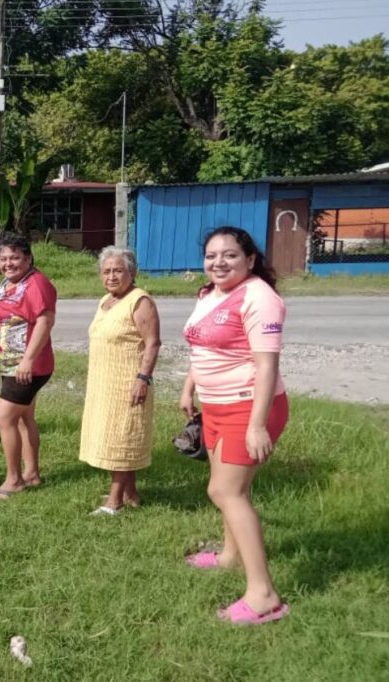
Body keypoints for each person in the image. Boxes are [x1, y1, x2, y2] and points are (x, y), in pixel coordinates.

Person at [181, 226, 291, 625]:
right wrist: (189, 387)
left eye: (229, 255)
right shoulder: (209, 294)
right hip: (215, 406)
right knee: (233, 488)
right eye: (211, 255)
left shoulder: (261, 298)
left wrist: (257, 425)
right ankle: (229, 556)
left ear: (250, 259)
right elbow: (201, 344)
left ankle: (264, 596)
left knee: (225, 491)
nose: (219, 262)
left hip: (248, 407)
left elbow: (267, 366)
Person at [0, 233, 57, 499]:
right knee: (23, 417)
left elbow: (44, 322)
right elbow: (13, 317)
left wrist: (28, 361)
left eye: (15, 258)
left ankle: (14, 480)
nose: (8, 263)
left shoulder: (37, 284)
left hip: (26, 366)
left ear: (29, 258)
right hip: (9, 363)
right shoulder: (9, 283)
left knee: (4, 417)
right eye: (3, 258)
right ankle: (31, 474)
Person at [79, 247, 161, 515]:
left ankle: (113, 503)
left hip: (129, 381)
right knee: (115, 435)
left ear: (132, 272)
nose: (111, 276)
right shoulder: (106, 300)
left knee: (122, 438)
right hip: (105, 382)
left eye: (118, 270)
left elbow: (152, 343)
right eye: (106, 271)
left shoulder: (140, 301)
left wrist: (142, 378)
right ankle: (131, 493)